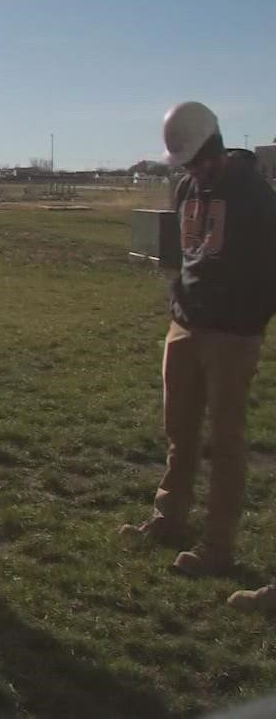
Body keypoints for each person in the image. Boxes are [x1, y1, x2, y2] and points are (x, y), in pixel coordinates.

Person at [119, 102, 276, 583]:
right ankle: (169, 520)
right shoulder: (187, 185)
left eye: (202, 160)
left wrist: (248, 321)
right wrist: (179, 305)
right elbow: (189, 255)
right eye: (188, 163)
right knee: (179, 432)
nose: (196, 171)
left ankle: (217, 546)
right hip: (185, 326)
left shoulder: (256, 196)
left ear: (218, 146)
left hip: (233, 335)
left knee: (225, 443)